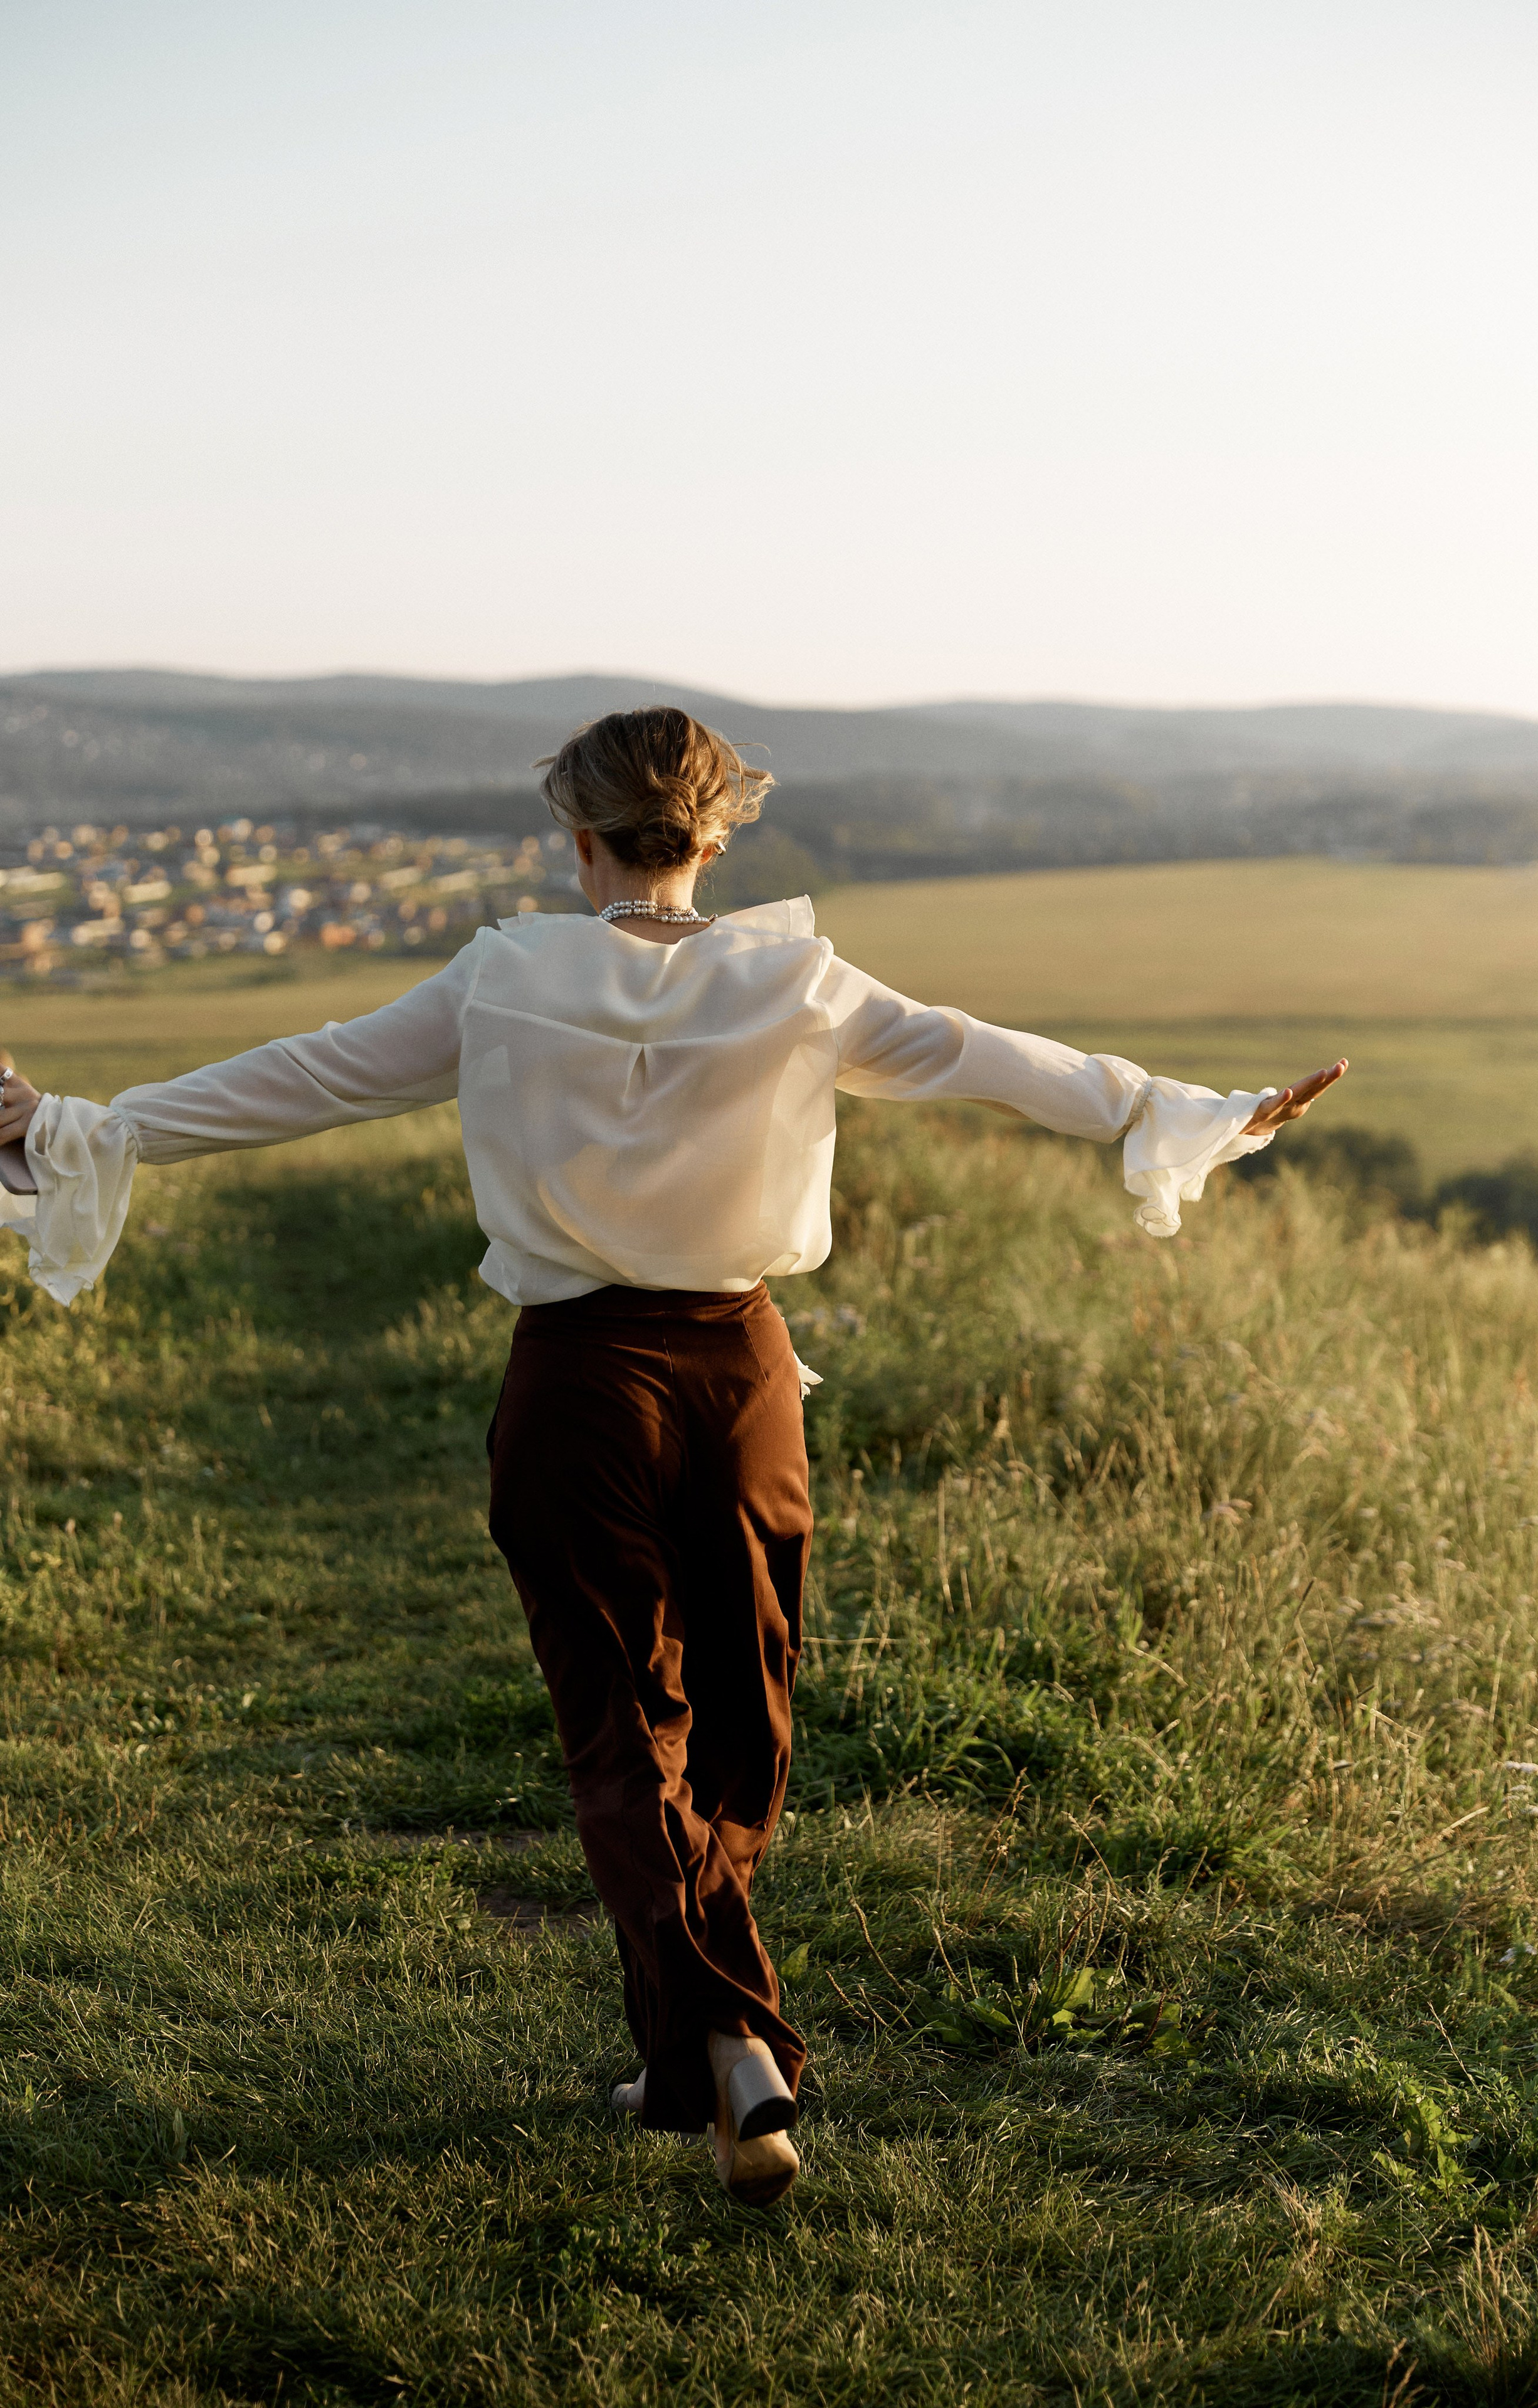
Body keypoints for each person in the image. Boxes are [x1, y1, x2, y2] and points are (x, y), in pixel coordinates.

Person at [0, 707, 1344, 2207]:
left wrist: (70, 1127)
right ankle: (709, 2057)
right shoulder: (799, 981)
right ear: (718, 837)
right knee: (740, 1728)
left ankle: (725, 2042)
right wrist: (1199, 1114)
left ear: (575, 839)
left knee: (618, 1728)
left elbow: (299, 1078)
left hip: (579, 1385)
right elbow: (1000, 1064)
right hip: (741, 1377)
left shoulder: (499, 978)